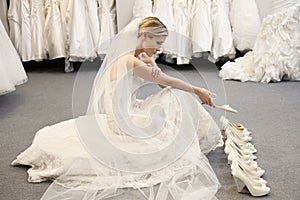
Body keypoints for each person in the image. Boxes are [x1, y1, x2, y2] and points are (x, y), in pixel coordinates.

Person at [12, 17, 223, 200]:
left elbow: (160, 81)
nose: (159, 48)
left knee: (173, 96)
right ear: (143, 36)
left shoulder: (135, 57)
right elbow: (166, 81)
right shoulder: (130, 61)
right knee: (176, 95)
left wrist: (151, 60)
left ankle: (195, 137)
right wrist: (197, 90)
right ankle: (197, 137)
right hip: (125, 119)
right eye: (157, 42)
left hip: (124, 110)